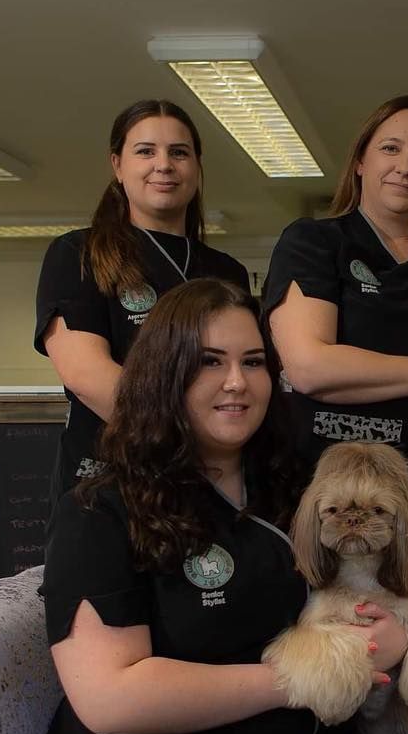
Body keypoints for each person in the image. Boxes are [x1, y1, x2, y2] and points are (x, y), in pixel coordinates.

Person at [27, 278, 408, 734]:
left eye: (253, 362)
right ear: (163, 375)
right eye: (209, 363)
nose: (236, 383)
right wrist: (309, 674)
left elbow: (377, 594)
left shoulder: (298, 489)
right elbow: (110, 697)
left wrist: (397, 637)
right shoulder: (100, 510)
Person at [262, 95, 408, 647]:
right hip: (333, 486)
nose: (405, 167)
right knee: (341, 646)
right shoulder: (317, 241)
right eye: (390, 148)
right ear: (360, 160)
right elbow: (309, 364)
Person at [34, 99, 249, 504]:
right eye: (146, 151)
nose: (163, 164)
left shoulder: (226, 271)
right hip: (109, 480)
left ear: (197, 166)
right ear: (117, 165)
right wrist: (191, 441)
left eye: (179, 152)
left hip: (207, 480)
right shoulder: (78, 253)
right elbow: (84, 374)